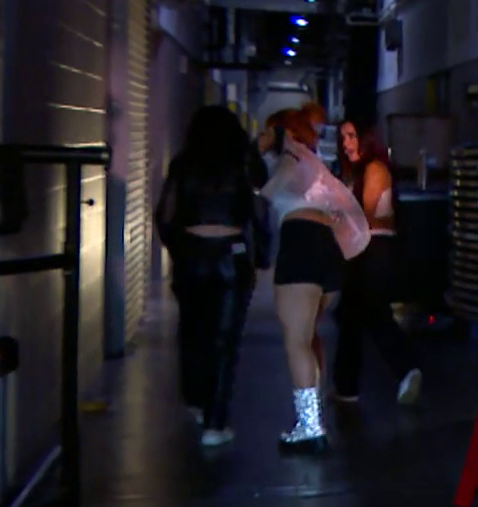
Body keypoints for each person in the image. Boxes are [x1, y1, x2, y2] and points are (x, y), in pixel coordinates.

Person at [259, 105, 371, 453]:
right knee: (308, 337)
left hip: (301, 243)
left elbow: (264, 188)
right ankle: (313, 416)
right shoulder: (316, 165)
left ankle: (309, 427)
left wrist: (269, 143)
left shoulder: (290, 156)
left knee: (296, 340)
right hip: (329, 251)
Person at [155, 105, 266, 448]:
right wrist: (261, 253)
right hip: (232, 254)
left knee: (192, 332)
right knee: (224, 342)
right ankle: (215, 423)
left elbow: (165, 215)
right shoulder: (243, 163)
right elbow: (260, 205)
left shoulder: (183, 163)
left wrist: (180, 247)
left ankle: (196, 400)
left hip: (192, 254)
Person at [330, 118, 423, 407]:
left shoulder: (375, 170)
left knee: (368, 314)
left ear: (365, 138)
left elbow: (366, 212)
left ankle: (405, 369)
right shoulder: (360, 171)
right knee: (354, 316)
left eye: (352, 136)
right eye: (343, 138)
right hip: (364, 250)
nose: (346, 144)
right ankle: (348, 387)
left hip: (373, 250)